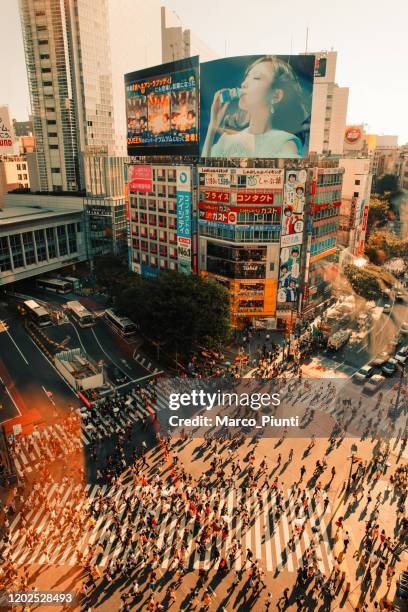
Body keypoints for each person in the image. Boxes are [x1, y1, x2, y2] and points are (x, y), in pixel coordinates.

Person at [202, 55, 308, 158]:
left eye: (256, 77)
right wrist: (213, 125)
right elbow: (204, 171)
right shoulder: (227, 140)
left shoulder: (285, 143)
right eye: (246, 77)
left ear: (276, 96)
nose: (243, 84)